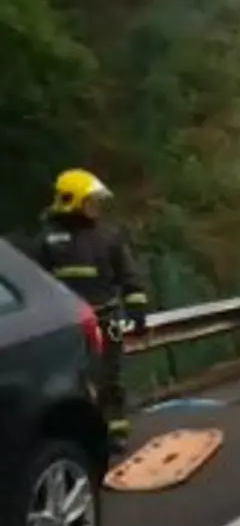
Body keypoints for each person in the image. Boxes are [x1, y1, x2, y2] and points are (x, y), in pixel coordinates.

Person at [34, 169, 149, 454]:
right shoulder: (47, 240)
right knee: (73, 380)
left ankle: (116, 431)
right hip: (68, 323)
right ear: (72, 201)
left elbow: (129, 276)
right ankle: (83, 435)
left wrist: (137, 313)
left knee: (111, 376)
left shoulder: (108, 237)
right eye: (91, 201)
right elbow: (36, 282)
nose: (96, 208)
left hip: (107, 317)